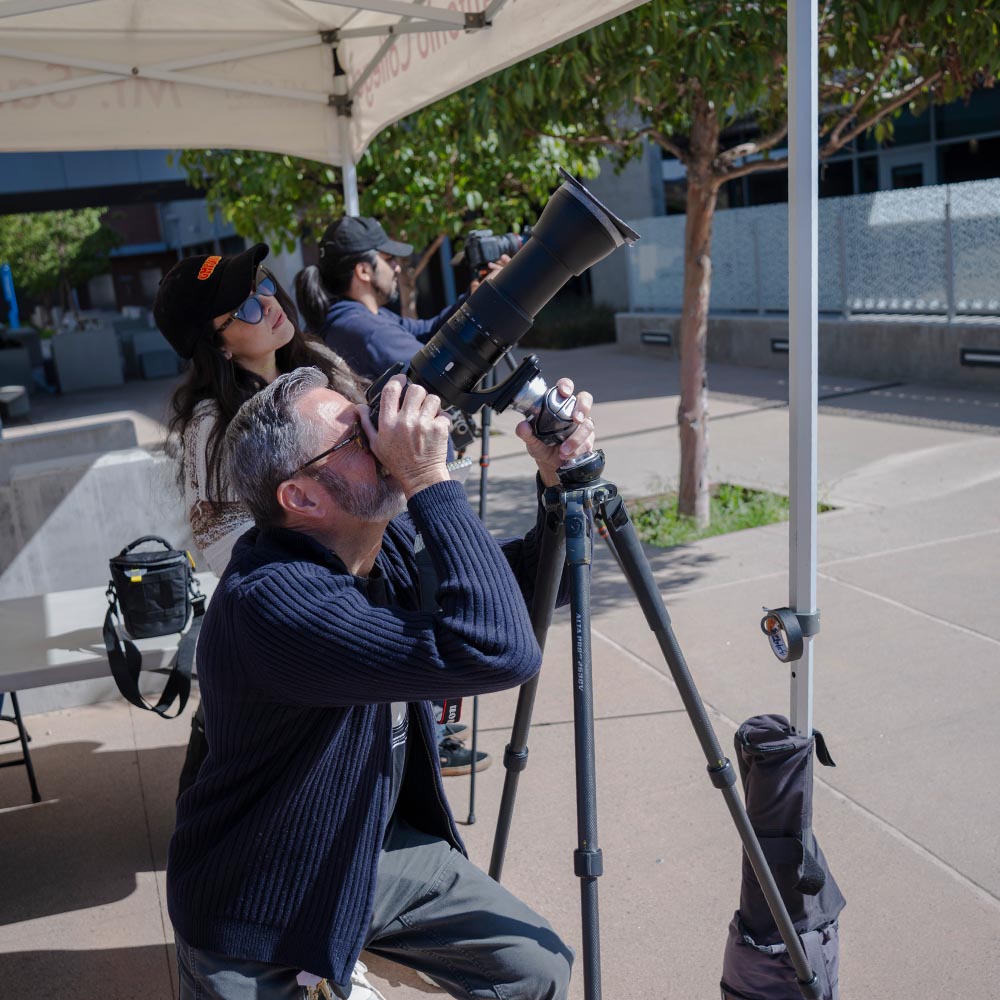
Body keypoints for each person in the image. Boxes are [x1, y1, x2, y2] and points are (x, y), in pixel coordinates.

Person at [167, 363, 596, 1000]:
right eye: (357, 440)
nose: (384, 439)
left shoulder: (375, 548)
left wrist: (558, 480)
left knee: (532, 967)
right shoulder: (275, 602)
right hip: (256, 892)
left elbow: (533, 590)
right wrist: (428, 479)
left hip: (361, 841)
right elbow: (501, 651)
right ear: (302, 497)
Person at [295, 216, 503, 773]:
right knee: (431, 600)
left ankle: (428, 729)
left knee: (425, 596)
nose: (398, 267)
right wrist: (489, 309)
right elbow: (435, 358)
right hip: (406, 488)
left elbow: (428, 327)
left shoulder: (369, 317)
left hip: (401, 483)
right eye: (390, 260)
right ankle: (427, 740)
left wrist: (475, 298)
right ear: (364, 269)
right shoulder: (355, 325)